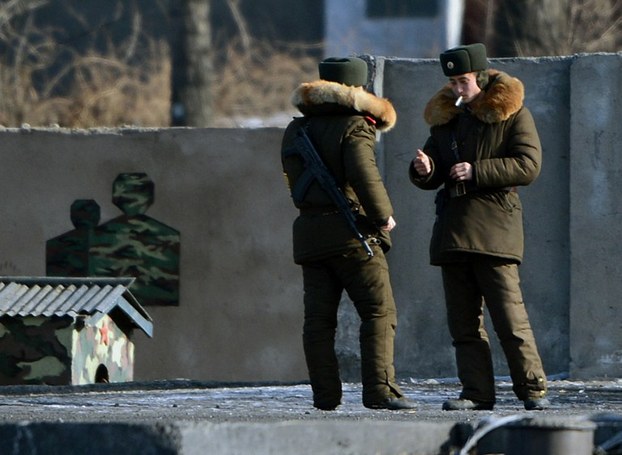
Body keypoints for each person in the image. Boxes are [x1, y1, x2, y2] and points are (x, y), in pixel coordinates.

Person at [409, 43, 550, 411]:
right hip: (453, 232)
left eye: (464, 81)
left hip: (494, 231)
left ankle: (532, 389)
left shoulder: (513, 115)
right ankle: (475, 392)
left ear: (483, 78)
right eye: (453, 82)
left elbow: (528, 165)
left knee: (509, 317)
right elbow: (434, 167)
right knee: (464, 325)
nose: (458, 89)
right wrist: (424, 170)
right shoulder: (448, 120)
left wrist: (478, 171)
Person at [281, 57, 414, 411]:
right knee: (379, 312)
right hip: (352, 237)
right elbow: (364, 174)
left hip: (309, 235)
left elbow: (293, 182)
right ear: (355, 90)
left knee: (318, 323)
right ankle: (381, 390)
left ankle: (325, 396)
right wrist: (383, 215)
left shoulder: (297, 130)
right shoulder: (355, 126)